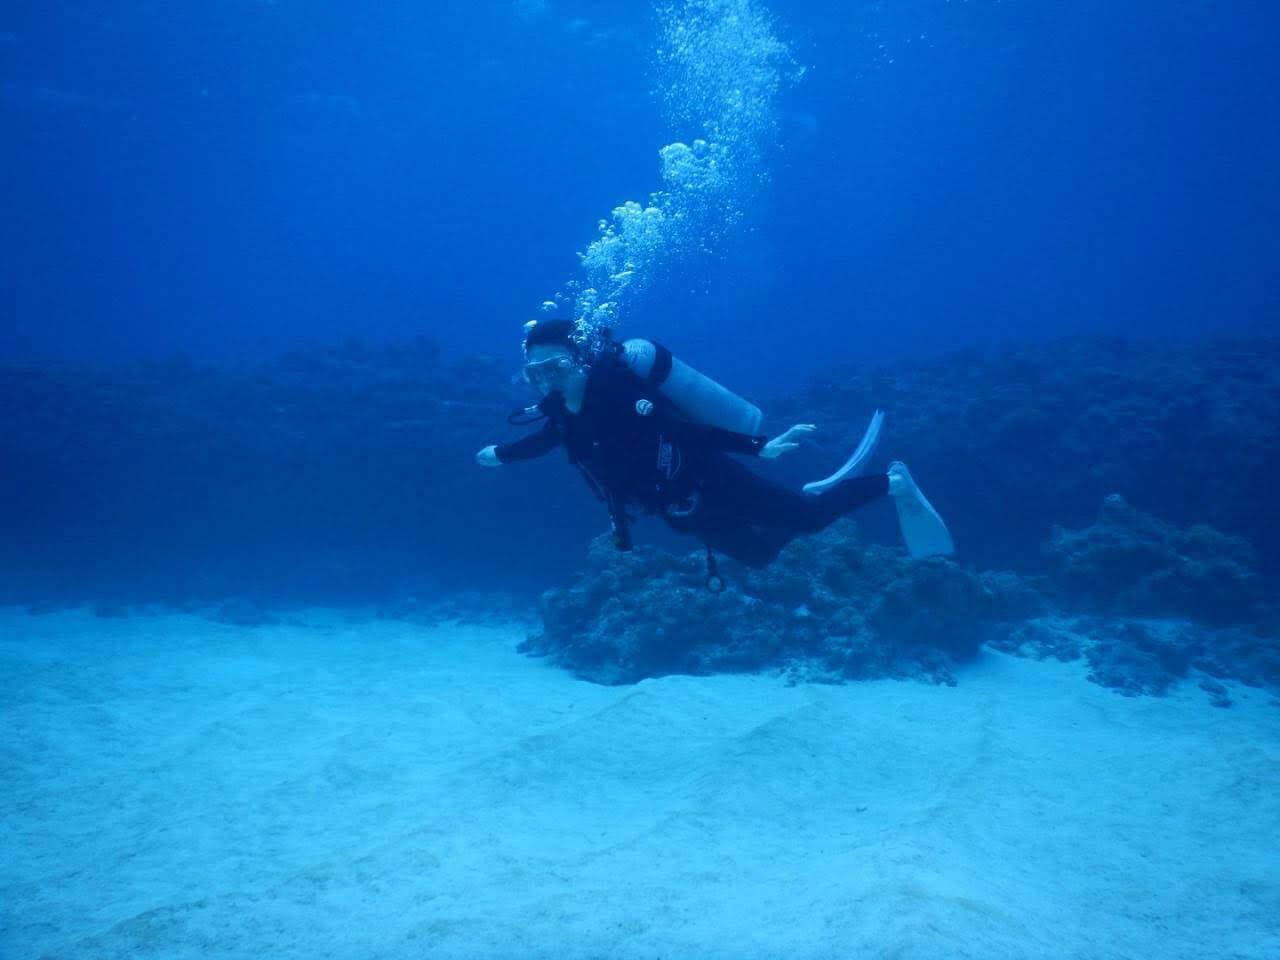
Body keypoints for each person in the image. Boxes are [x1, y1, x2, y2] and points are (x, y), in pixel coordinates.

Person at [476, 320, 952, 577]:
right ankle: (801, 502)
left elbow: (687, 434)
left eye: (556, 366)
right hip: (675, 506)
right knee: (759, 556)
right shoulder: (561, 410)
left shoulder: (621, 395)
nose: (547, 379)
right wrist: (501, 454)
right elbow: (547, 439)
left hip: (709, 477)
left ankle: (892, 483)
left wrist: (758, 447)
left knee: (810, 519)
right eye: (535, 372)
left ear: (580, 360)